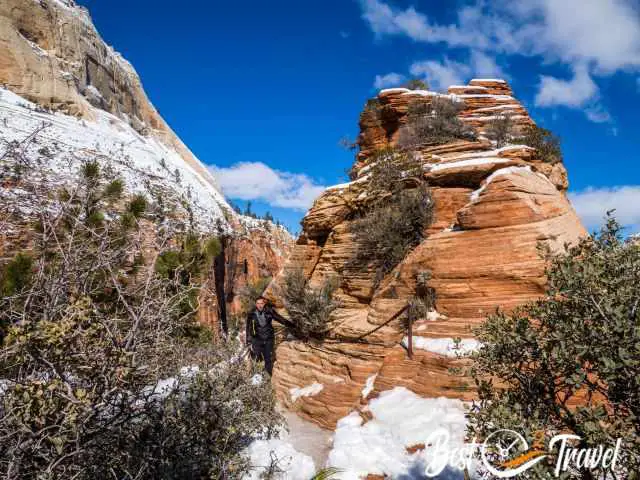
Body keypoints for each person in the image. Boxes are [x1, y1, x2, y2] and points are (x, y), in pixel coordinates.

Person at [245, 296, 294, 375]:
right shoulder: (251, 313)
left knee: (268, 359)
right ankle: (253, 377)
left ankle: (269, 376)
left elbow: (280, 319)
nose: (259, 305)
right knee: (256, 358)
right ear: (255, 304)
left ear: (264, 304)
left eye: (261, 303)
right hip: (257, 339)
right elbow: (248, 327)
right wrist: (247, 340)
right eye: (258, 303)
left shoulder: (269, 311)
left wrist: (292, 325)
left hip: (268, 339)